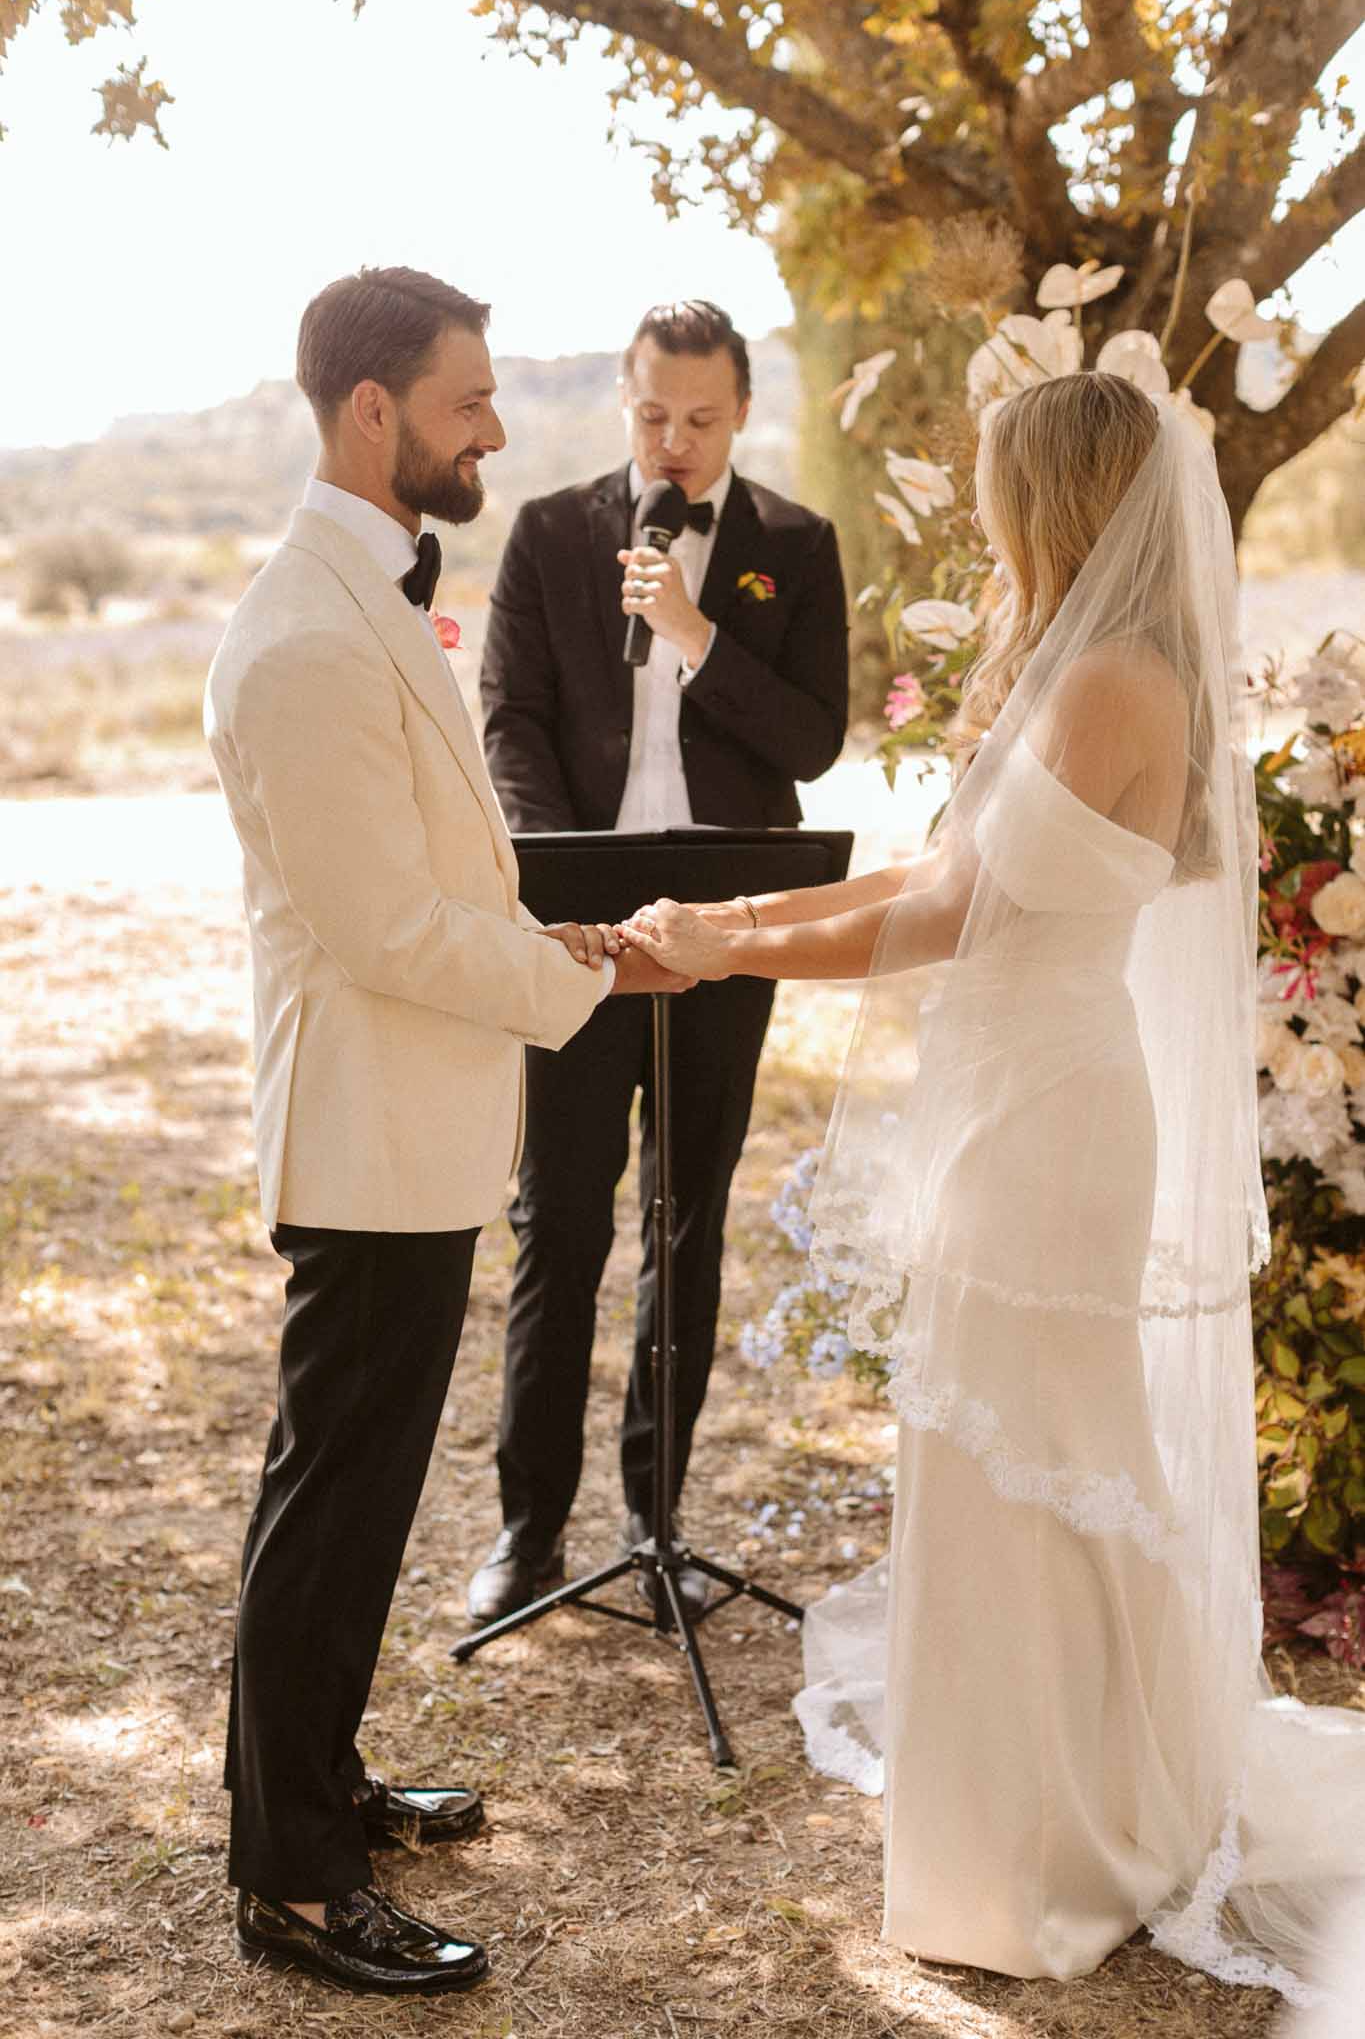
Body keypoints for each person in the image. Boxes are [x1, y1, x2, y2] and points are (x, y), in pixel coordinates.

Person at [623, 373, 1365, 2003]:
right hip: (1017, 1095)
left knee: (1037, 1466)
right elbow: (930, 880)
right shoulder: (1078, 665)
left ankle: (1055, 1846)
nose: (974, 511)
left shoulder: (1112, 678)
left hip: (1053, 1111)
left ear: (1056, 501)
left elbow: (946, 921)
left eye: (992, 487)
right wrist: (730, 926)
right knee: (999, 1460)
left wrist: (718, 958)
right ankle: (1029, 1818)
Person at [205, 266, 689, 1996]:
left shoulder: (366, 607)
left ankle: (318, 1782)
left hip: (414, 1124)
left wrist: (536, 936)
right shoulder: (302, 639)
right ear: (370, 411)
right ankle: (296, 1881)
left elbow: (429, 887)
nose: (492, 426)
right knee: (330, 1504)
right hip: (362, 1133)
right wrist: (587, 983)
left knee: (356, 1492)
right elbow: (386, 933)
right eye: (468, 398)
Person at [469, 300, 849, 1624]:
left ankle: (654, 1519)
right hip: (576, 932)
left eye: (698, 418)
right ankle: (526, 1531)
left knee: (683, 1221)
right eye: (649, 415)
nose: (672, 443)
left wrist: (695, 636)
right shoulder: (550, 530)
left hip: (726, 929)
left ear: (740, 409)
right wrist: (552, 873)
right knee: (554, 1222)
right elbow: (508, 712)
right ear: (621, 404)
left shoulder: (796, 546)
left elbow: (810, 742)